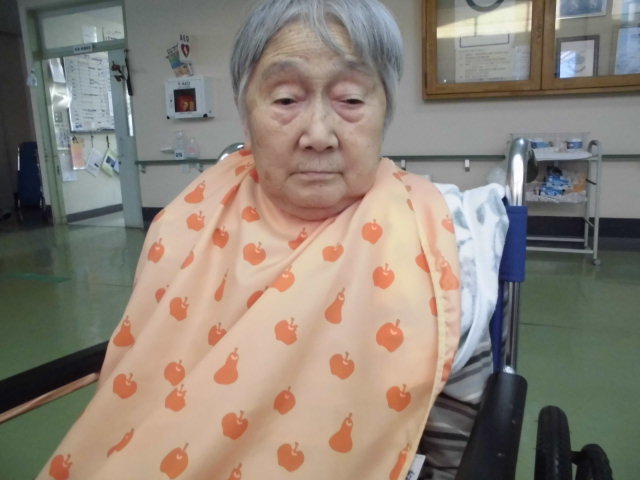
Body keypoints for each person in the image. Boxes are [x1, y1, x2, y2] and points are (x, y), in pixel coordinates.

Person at [38, 1, 507, 479]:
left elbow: (454, 455)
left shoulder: (444, 236)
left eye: (350, 99)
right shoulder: (184, 224)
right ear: (246, 116)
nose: (319, 134)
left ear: (384, 112)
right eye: (285, 100)